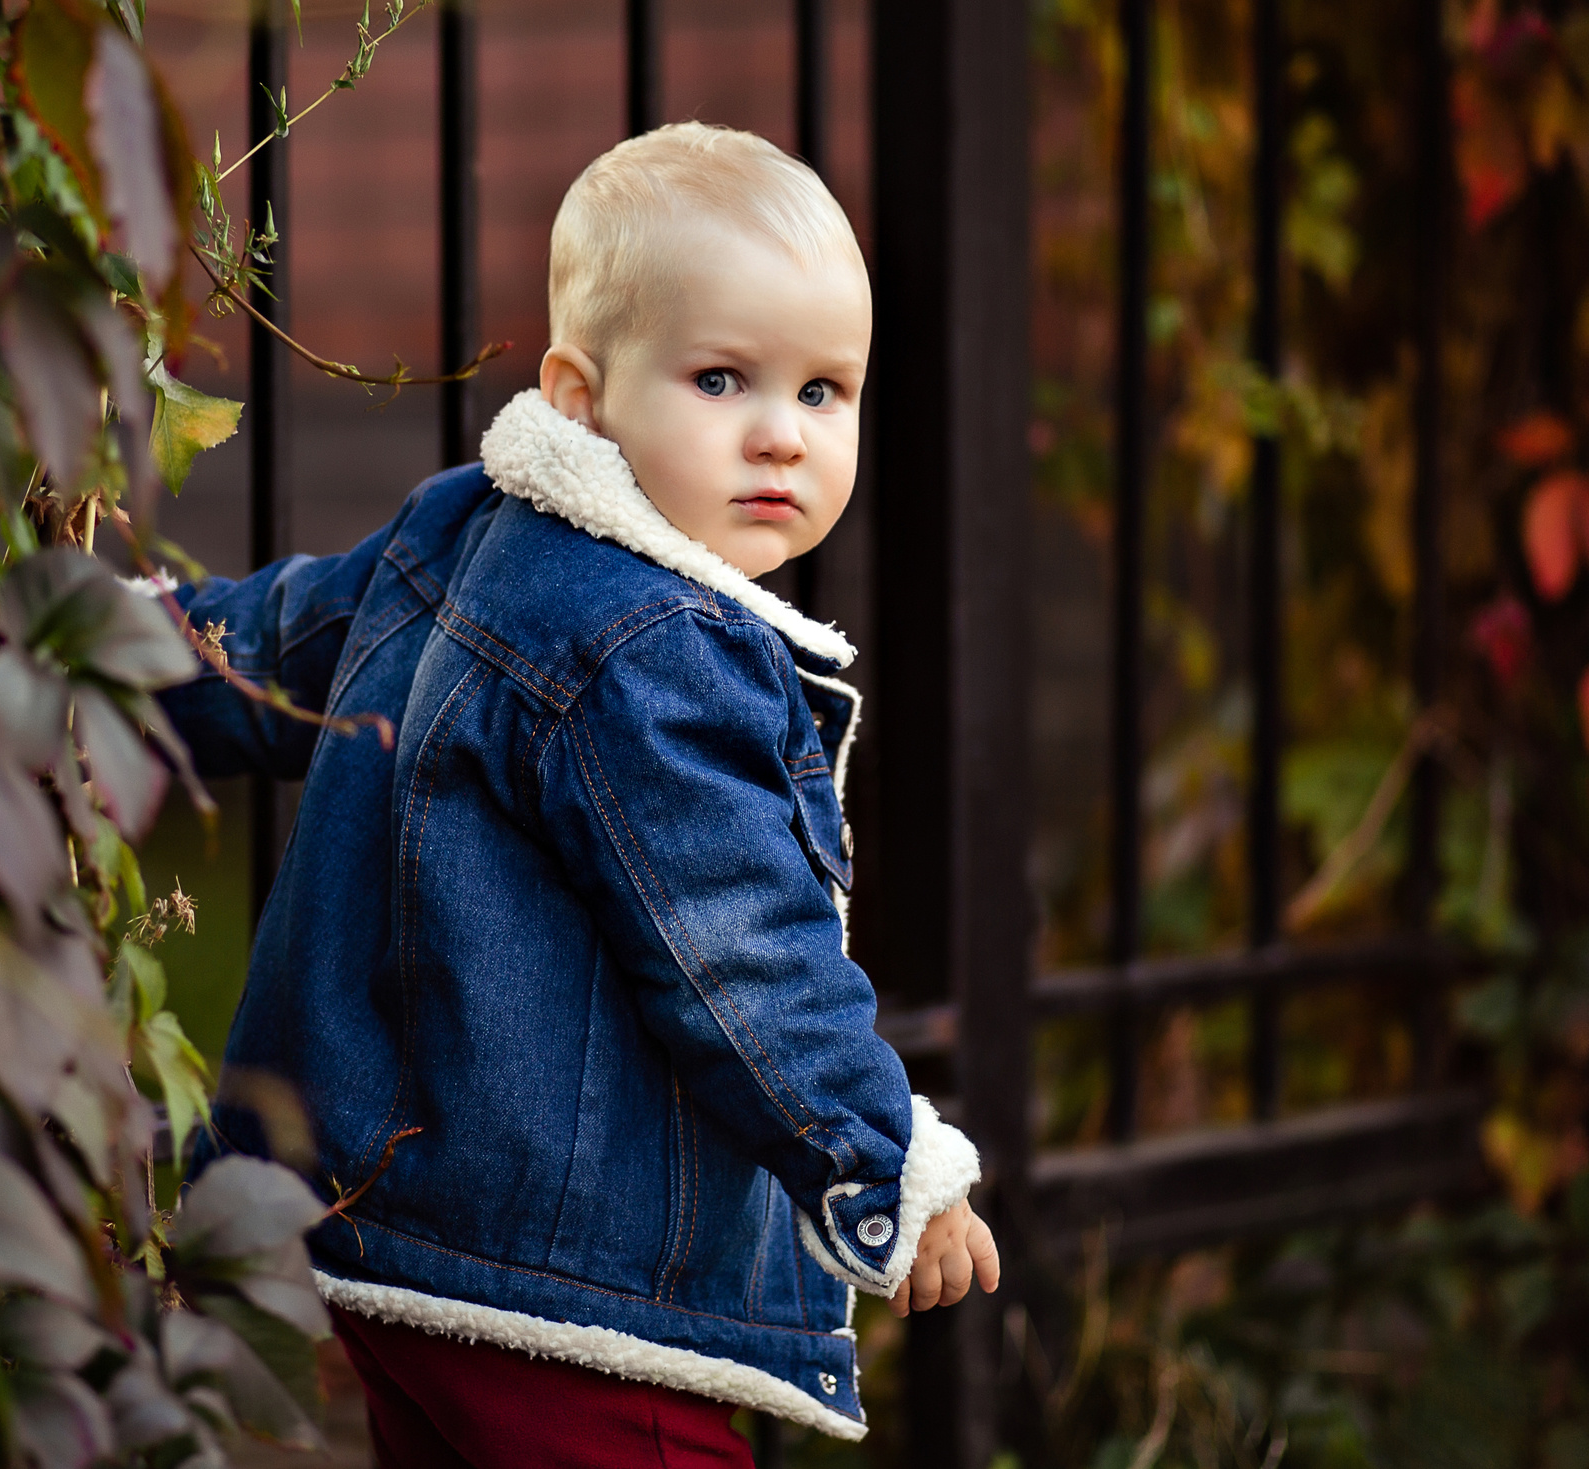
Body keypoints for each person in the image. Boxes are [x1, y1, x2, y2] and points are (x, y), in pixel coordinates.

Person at [163, 123, 999, 1462]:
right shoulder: (657, 650)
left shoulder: (462, 527)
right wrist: (889, 1163)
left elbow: (263, 650)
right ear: (578, 395)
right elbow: (740, 956)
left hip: (401, 1237)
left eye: (824, 391)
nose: (781, 436)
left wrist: (99, 659)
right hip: (561, 1288)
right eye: (721, 379)